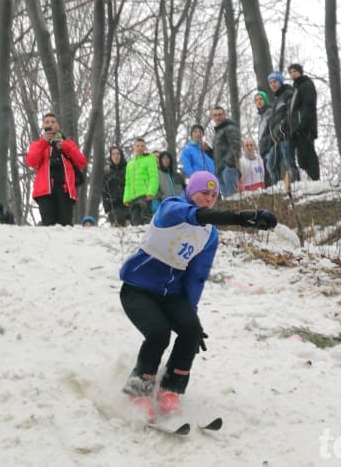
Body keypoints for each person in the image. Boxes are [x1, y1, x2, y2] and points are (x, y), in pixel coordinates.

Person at [118, 171, 278, 419]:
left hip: (172, 294)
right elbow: (194, 215)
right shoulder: (171, 208)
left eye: (214, 195)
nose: (209, 198)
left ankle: (169, 390)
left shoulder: (210, 235)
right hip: (137, 288)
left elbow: (196, 276)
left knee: (191, 331)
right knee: (159, 333)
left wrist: (190, 314)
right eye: (204, 193)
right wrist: (239, 217)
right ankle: (138, 391)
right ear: (191, 192)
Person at [25, 113, 88, 225]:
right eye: (47, 122)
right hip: (45, 190)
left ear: (58, 126)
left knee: (66, 223)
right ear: (43, 126)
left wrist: (65, 146)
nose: (50, 124)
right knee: (48, 223)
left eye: (53, 122)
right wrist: (43, 143)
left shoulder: (68, 143)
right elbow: (31, 162)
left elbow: (82, 162)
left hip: (65, 189)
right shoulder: (37, 144)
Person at [288, 63, 320, 181]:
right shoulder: (297, 88)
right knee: (301, 158)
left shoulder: (306, 85)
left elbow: (309, 106)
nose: (292, 74)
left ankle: (316, 178)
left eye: (295, 71)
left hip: (305, 127)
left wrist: (302, 124)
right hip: (297, 128)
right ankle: (312, 178)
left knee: (309, 154)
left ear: (300, 72)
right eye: (290, 72)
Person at [266, 71, 298, 183]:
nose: (273, 84)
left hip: (286, 135)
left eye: (275, 81)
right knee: (270, 164)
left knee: (289, 162)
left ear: (280, 81)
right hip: (276, 138)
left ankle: (296, 185)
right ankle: (278, 187)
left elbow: (292, 113)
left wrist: (282, 128)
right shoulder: (276, 99)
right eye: (270, 83)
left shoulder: (288, 93)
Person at [123, 137, 159, 225]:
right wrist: (126, 198)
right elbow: (128, 183)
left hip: (144, 195)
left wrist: (151, 192)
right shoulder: (130, 164)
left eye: (142, 146)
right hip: (133, 197)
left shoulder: (150, 160)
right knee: (135, 220)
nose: (140, 148)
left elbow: (154, 177)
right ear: (134, 147)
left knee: (146, 218)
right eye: (138, 146)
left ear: (145, 148)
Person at [210, 106, 241, 198]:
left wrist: (229, 164)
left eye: (220, 115)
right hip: (220, 170)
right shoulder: (218, 132)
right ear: (212, 118)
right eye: (215, 115)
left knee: (233, 198)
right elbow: (218, 152)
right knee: (227, 200)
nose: (218, 117)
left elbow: (236, 146)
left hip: (228, 169)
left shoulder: (230, 128)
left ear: (224, 115)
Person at [102, 146, 130, 226]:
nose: (116, 156)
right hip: (114, 206)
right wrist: (107, 207)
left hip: (128, 204)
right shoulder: (107, 174)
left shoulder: (128, 170)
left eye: (118, 154)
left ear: (121, 155)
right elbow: (104, 192)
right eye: (113, 154)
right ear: (111, 157)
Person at [254, 91, 274, 187]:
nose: (258, 102)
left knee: (271, 170)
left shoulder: (270, 112)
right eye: (256, 100)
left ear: (265, 100)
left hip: (270, 147)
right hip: (264, 149)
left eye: (261, 99)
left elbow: (271, 130)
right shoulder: (262, 116)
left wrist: (268, 143)